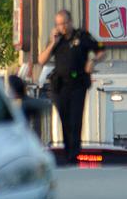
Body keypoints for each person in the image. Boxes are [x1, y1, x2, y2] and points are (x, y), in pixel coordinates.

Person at [37, 10, 105, 165]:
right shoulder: (57, 40)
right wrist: (53, 42)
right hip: (60, 86)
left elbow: (101, 50)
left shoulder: (82, 36)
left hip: (78, 84)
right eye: (59, 24)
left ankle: (73, 155)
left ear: (71, 21)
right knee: (65, 120)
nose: (63, 27)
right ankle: (69, 152)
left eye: (65, 23)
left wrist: (93, 61)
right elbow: (41, 60)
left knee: (75, 120)